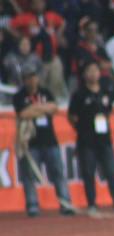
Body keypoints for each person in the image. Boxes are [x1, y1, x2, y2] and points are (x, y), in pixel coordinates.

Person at [68, 61, 114, 217]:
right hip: (86, 140)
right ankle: (92, 204)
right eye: (89, 70)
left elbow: (108, 110)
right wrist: (80, 128)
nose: (93, 73)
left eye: (95, 70)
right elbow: (71, 115)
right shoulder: (79, 94)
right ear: (84, 75)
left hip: (104, 139)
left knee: (111, 172)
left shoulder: (105, 91)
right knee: (89, 172)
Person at [12, 64, 73, 217]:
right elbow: (23, 113)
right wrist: (42, 108)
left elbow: (54, 107)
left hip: (50, 140)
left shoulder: (46, 92)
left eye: (33, 77)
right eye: (28, 78)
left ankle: (65, 202)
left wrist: (35, 108)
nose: (31, 80)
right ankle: (32, 204)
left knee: (58, 172)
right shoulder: (19, 96)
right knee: (29, 175)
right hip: (31, 142)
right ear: (24, 80)